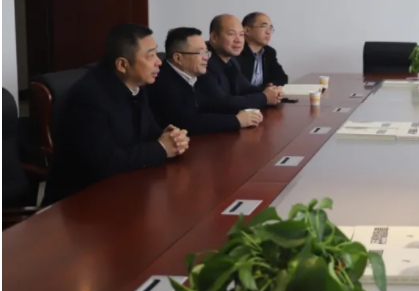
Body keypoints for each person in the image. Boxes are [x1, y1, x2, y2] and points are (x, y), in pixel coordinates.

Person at [43, 24, 189, 204]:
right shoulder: (88, 97)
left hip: (124, 189)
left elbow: (148, 132)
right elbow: (103, 162)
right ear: (122, 65)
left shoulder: (136, 85)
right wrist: (161, 148)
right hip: (79, 203)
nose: (159, 61)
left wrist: (172, 138)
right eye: (150, 56)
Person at [148, 27, 263, 135]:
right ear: (178, 58)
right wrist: (236, 120)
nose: (206, 57)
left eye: (206, 52)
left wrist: (244, 114)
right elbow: (188, 122)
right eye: (200, 53)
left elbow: (214, 104)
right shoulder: (162, 81)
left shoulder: (197, 75)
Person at [196, 14, 282, 112]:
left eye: (241, 35)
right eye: (231, 34)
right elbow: (221, 103)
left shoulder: (231, 60)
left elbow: (245, 88)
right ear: (214, 37)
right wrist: (264, 98)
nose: (238, 40)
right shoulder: (204, 61)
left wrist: (270, 91)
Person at [237, 12, 289, 87]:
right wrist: (264, 89)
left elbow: (282, 78)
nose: (268, 32)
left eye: (270, 28)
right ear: (247, 30)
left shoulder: (269, 52)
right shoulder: (236, 51)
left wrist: (272, 85)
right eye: (263, 26)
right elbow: (239, 86)